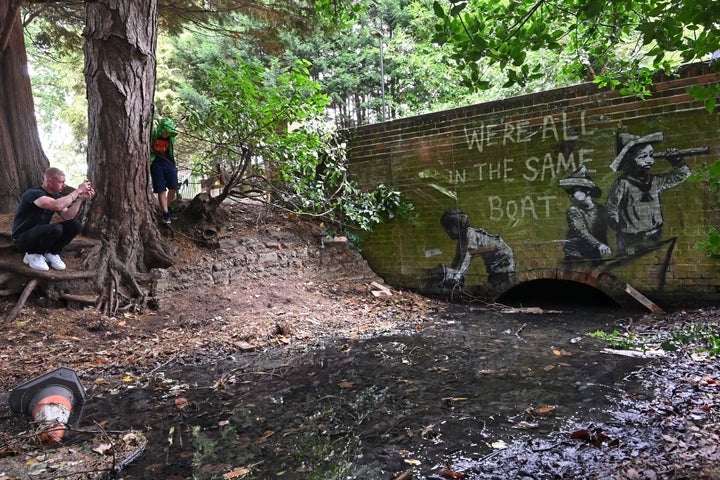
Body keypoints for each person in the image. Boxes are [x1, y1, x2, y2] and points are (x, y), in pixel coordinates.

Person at [605, 132, 689, 256]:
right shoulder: (623, 184)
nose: (650, 160)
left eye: (651, 155)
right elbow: (610, 209)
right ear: (630, 160)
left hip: (655, 235)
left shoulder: (654, 181)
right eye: (643, 156)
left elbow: (682, 175)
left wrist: (677, 161)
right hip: (632, 240)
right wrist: (623, 229)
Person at [12, 168, 96, 271]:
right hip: (22, 239)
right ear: (49, 181)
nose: (64, 185)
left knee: (75, 225)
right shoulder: (34, 193)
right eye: (60, 182)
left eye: (64, 182)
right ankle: (32, 255)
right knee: (56, 228)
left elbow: (67, 216)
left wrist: (81, 199)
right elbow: (57, 205)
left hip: (39, 235)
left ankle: (52, 253)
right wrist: (78, 191)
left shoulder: (56, 196)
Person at [438, 207, 515, 286]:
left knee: (505, 279)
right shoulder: (462, 238)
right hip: (492, 259)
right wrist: (451, 271)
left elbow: (467, 257)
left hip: (502, 256)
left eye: (450, 228)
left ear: (458, 225)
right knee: (494, 280)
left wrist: (457, 276)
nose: (448, 231)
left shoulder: (470, 234)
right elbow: (457, 257)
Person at [558, 166, 611, 262]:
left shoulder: (601, 209)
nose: (571, 195)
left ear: (587, 190)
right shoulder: (573, 211)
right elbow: (582, 231)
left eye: (575, 190)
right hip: (576, 255)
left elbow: (603, 232)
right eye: (569, 191)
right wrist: (599, 245)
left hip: (594, 252)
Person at [150, 117, 180, 224]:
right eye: (165, 131)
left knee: (173, 186)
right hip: (156, 164)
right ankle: (165, 212)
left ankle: (166, 207)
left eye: (169, 132)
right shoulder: (153, 136)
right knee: (161, 189)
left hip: (169, 163)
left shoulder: (170, 138)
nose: (167, 134)